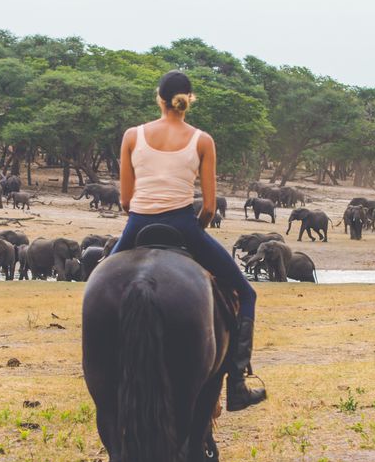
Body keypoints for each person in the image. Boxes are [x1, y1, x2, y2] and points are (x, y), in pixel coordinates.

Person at [109, 71, 267, 411]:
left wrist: (143, 214)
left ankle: (106, 372)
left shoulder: (132, 136)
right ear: (189, 99)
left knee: (97, 284)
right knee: (246, 293)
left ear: (159, 99)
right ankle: (237, 384)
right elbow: (209, 207)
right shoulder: (202, 140)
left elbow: (125, 200)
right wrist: (194, 229)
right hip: (184, 225)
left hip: (137, 226)